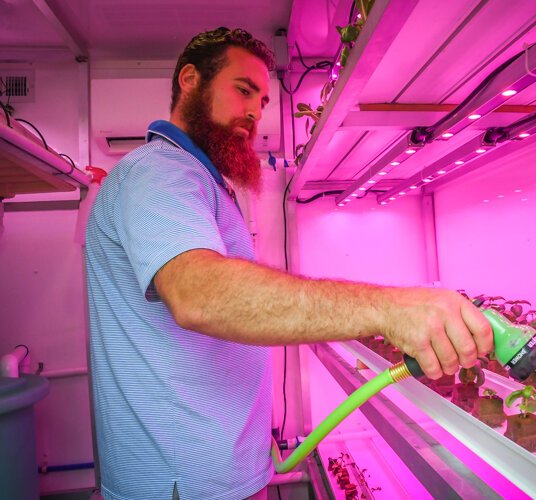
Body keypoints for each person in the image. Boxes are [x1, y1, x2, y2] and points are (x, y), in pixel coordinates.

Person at [85, 27, 492, 500]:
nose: (256, 111)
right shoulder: (159, 171)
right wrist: (390, 309)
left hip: (215, 475)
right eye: (243, 90)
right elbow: (200, 295)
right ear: (190, 80)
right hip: (181, 484)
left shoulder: (202, 181)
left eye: (262, 100)